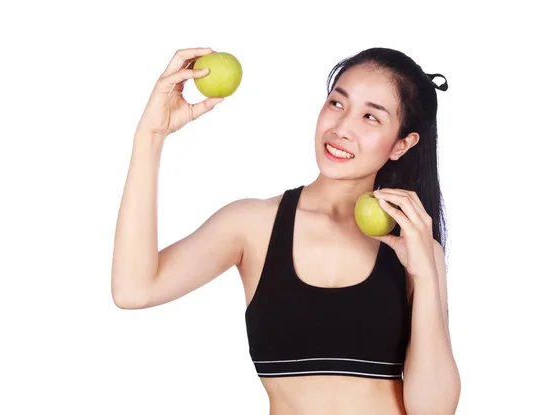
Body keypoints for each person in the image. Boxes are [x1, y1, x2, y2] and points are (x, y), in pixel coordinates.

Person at [111, 46, 461, 415]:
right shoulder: (252, 225)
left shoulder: (415, 250)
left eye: (371, 117)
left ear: (402, 144)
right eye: (337, 104)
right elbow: (134, 289)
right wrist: (150, 135)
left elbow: (433, 411)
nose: (341, 129)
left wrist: (424, 274)